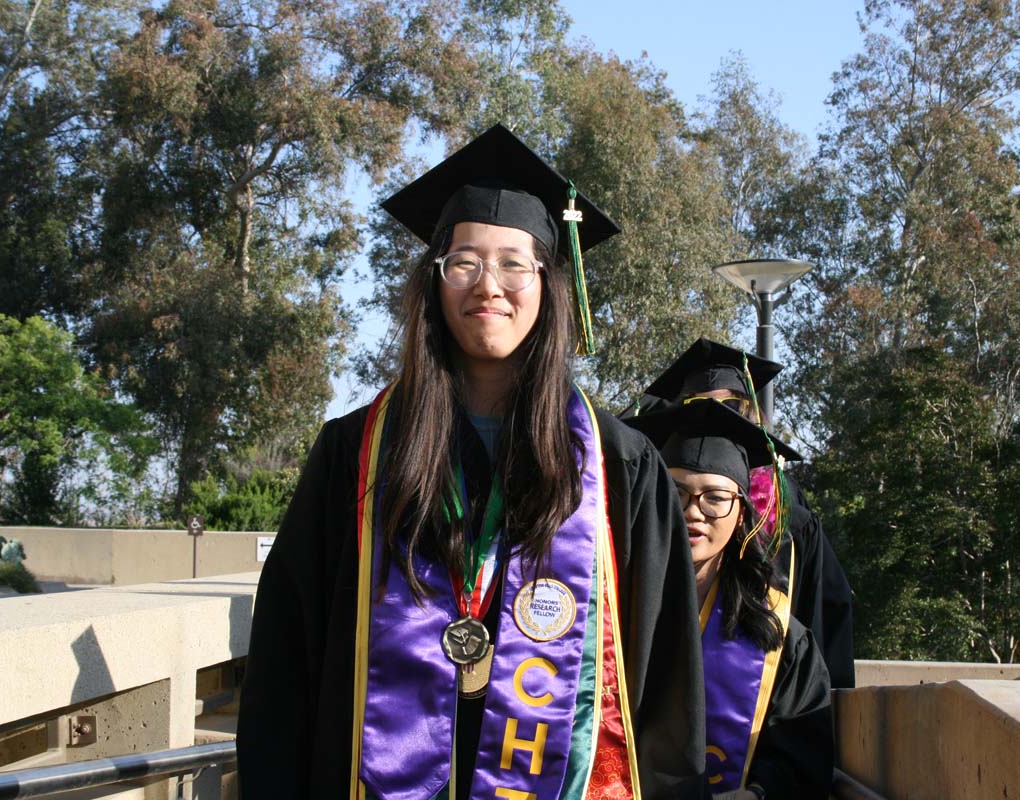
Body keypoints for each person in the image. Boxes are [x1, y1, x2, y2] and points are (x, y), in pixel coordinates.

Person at [236, 124, 705, 800]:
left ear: (548, 284)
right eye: (464, 263)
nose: (490, 285)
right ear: (434, 282)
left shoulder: (619, 467)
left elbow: (664, 692)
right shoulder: (355, 454)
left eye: (515, 263)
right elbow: (287, 663)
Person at [626, 399, 834, 800]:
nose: (694, 512)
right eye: (676, 491)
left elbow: (804, 762)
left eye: (715, 497)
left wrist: (756, 794)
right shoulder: (610, 613)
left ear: (741, 513)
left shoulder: (778, 636)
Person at [622, 338, 856, 689]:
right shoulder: (644, 507)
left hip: (766, 677)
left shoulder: (790, 511)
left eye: (732, 403)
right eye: (696, 405)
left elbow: (824, 614)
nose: (695, 511)